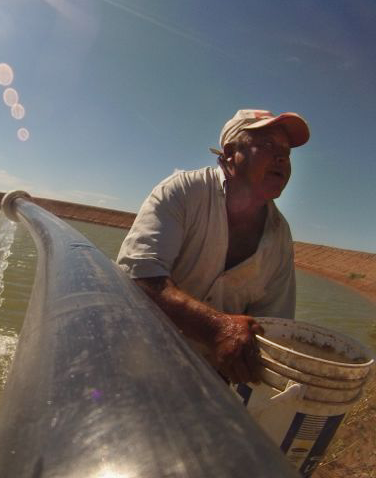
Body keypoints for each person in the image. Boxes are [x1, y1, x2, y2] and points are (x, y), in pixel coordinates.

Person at [116, 109, 310, 384]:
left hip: (211, 384)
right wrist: (216, 328)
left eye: (286, 152)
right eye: (267, 144)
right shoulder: (183, 192)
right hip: (138, 357)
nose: (281, 157)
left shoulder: (279, 236)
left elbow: (274, 327)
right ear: (230, 153)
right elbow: (137, 276)